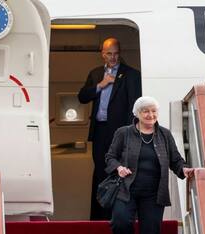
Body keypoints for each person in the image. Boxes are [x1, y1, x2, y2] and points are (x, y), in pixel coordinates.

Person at [105, 96, 195, 234]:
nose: (150, 115)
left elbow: (175, 160)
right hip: (126, 189)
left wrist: (183, 169)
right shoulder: (124, 133)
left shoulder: (165, 134)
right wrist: (119, 168)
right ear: (137, 113)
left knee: (151, 230)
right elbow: (110, 157)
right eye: (145, 111)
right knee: (120, 223)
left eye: (154, 111)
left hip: (154, 193)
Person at [78, 37, 142, 220]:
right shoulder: (96, 73)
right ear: (102, 54)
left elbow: (134, 107)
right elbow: (82, 97)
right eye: (109, 54)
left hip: (121, 133)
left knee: (120, 172)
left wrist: (132, 135)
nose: (113, 58)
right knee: (99, 171)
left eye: (116, 54)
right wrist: (100, 86)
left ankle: (119, 216)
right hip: (100, 131)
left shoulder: (131, 75)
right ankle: (98, 218)